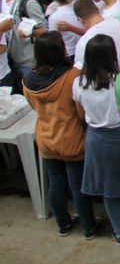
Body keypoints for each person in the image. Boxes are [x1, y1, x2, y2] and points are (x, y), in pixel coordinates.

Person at [73, 34, 120, 248]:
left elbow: (80, 114)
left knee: (108, 189)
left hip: (95, 138)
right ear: (111, 56)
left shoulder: (79, 82)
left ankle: (118, 231)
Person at [23, 32, 99, 238]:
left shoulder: (28, 79)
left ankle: (63, 224)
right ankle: (89, 227)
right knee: (77, 186)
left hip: (46, 138)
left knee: (55, 183)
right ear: (60, 50)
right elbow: (80, 107)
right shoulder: (72, 76)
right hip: (72, 138)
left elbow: (32, 106)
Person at [0, 0, 48, 91]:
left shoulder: (27, 2)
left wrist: (30, 31)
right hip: (10, 64)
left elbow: (46, 30)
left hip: (28, 64)